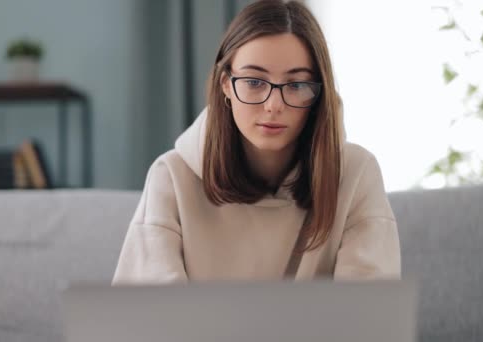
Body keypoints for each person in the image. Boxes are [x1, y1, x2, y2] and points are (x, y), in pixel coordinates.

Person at [112, 0, 400, 285]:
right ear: (225, 84)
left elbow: (367, 321)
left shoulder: (356, 173)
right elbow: (149, 321)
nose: (274, 105)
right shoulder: (172, 176)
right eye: (254, 82)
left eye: (297, 85)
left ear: (319, 95)